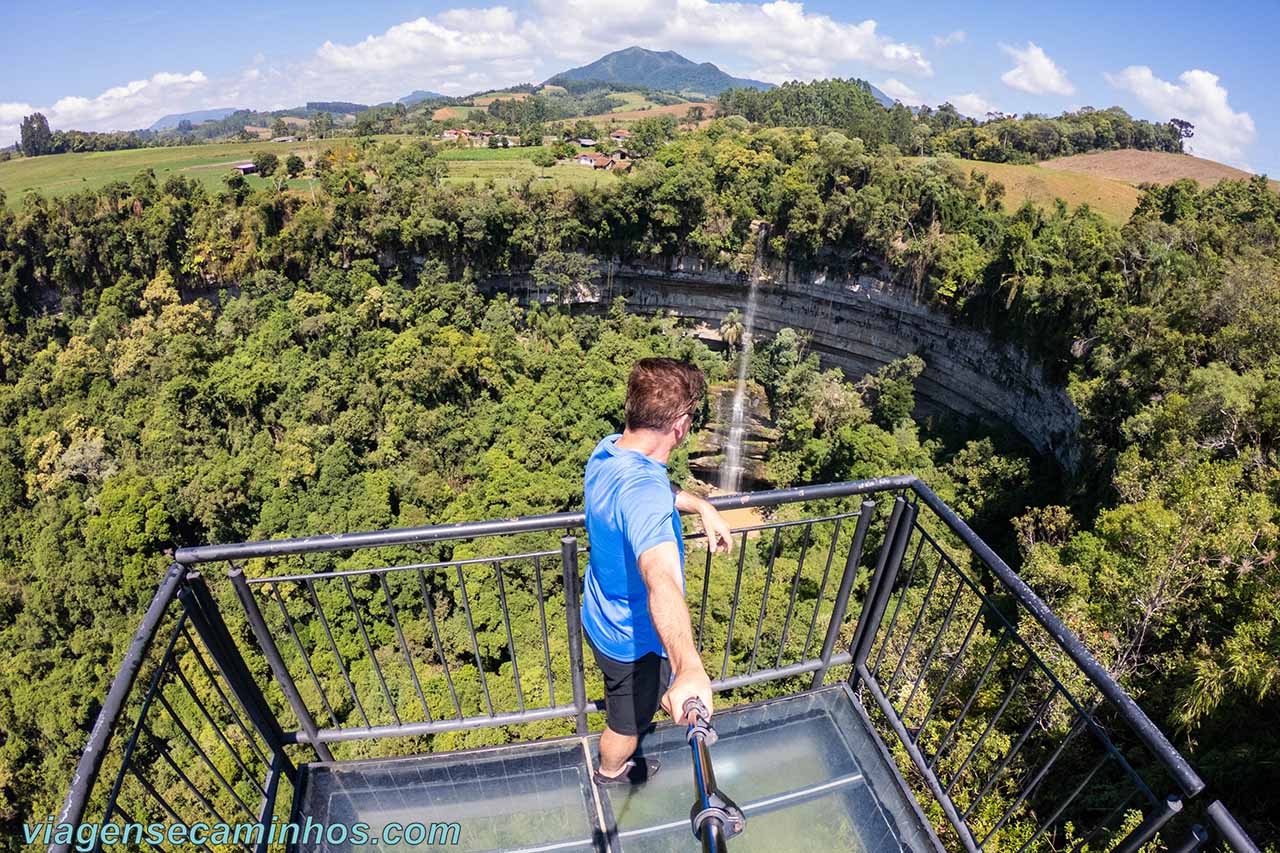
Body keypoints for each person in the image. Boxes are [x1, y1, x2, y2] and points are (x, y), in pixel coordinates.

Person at [582, 357, 734, 784]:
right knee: (626, 724)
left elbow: (653, 488)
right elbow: (661, 579)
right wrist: (687, 666)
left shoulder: (609, 449)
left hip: (600, 610)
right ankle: (611, 773)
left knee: (629, 708)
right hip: (631, 641)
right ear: (681, 426)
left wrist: (700, 503)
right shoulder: (644, 493)